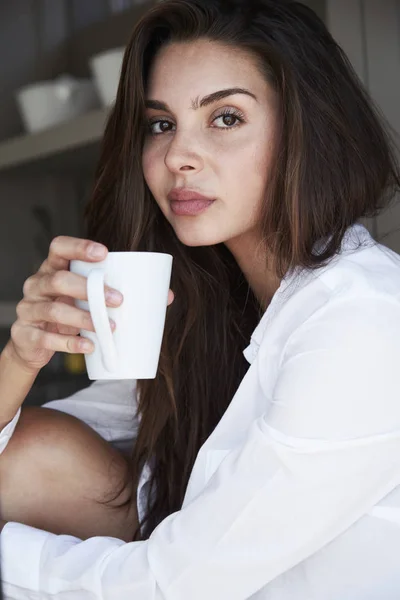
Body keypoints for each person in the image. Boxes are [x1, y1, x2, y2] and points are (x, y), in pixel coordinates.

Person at [1, 0, 400, 597]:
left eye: (225, 118)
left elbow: (173, 585)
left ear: (306, 129)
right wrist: (19, 360)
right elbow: (24, 461)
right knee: (28, 454)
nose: (178, 157)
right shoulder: (199, 305)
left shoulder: (363, 320)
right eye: (161, 124)